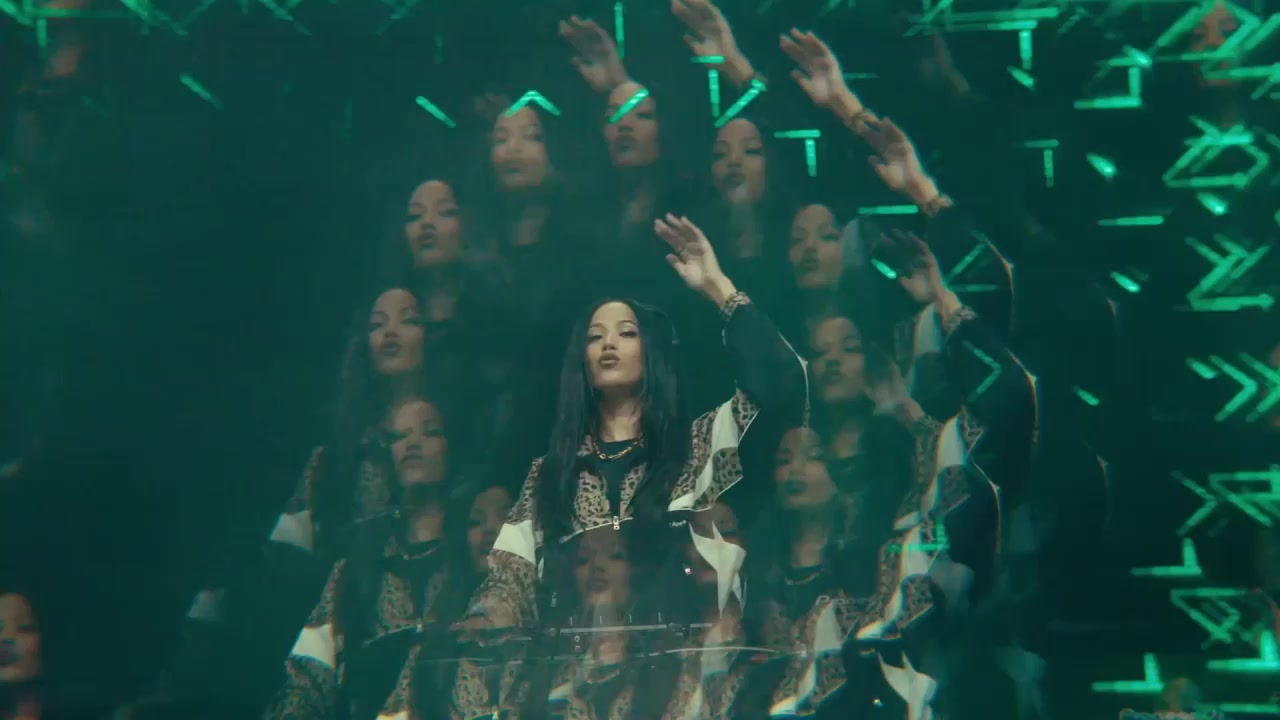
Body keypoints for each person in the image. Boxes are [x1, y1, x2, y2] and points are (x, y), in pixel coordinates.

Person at [453, 214, 807, 716]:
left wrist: (719, 288)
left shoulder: (697, 450)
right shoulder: (552, 473)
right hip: (573, 689)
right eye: (595, 336)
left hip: (678, 687)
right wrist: (486, 619)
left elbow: (785, 384)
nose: (608, 344)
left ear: (652, 353)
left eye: (625, 332)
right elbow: (510, 577)